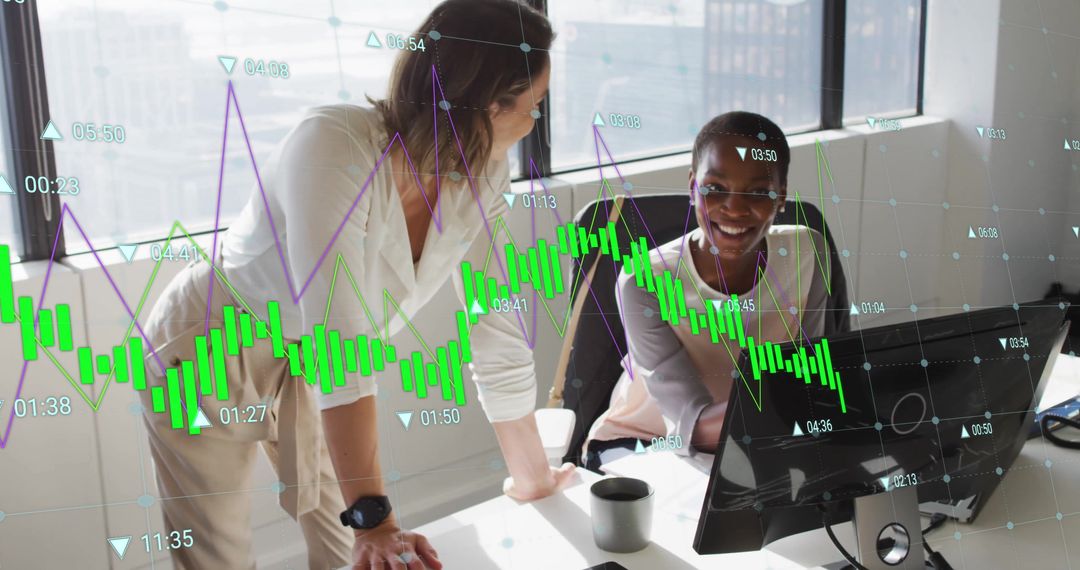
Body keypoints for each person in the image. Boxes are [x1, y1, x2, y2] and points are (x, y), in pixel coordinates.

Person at [138, 1, 575, 568]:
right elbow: (338, 346)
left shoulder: (485, 170)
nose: (533, 122)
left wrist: (533, 479)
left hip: (313, 364)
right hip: (212, 347)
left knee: (357, 554)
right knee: (218, 553)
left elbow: (494, 327)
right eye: (533, 106)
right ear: (488, 103)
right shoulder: (333, 143)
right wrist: (378, 519)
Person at [581, 111, 831, 471]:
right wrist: (795, 407)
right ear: (692, 187)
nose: (735, 209)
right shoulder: (643, 281)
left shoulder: (809, 253)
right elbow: (690, 425)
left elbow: (807, 373)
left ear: (781, 198)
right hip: (645, 442)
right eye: (715, 189)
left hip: (753, 439)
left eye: (759, 192)